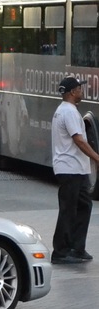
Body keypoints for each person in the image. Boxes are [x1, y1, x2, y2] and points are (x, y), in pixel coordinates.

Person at [51, 76, 99, 264]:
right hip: (69, 168)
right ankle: (60, 252)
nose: (82, 91)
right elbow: (79, 140)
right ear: (72, 92)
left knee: (84, 206)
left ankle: (77, 248)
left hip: (76, 168)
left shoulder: (65, 110)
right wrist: (96, 157)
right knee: (68, 209)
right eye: (80, 88)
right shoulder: (69, 112)